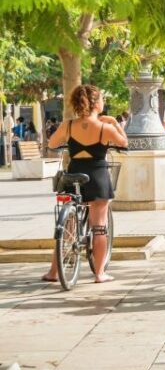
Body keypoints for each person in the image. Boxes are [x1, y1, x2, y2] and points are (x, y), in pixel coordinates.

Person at [44, 85, 128, 283]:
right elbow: (124, 143)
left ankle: (54, 273)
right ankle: (99, 274)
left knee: (67, 228)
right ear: (96, 103)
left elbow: (52, 144)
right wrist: (115, 122)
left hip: (73, 175)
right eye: (102, 100)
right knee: (99, 226)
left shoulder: (68, 125)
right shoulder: (105, 128)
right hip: (98, 177)